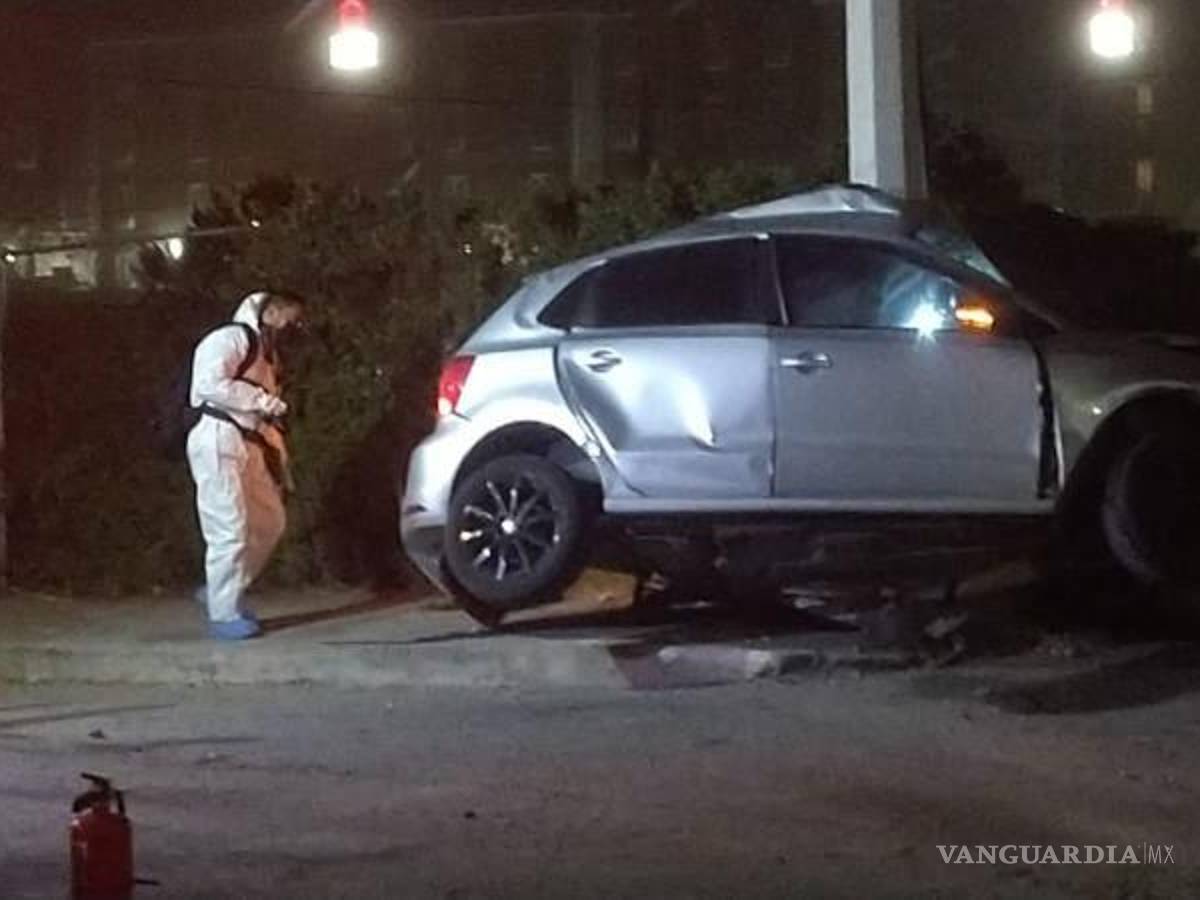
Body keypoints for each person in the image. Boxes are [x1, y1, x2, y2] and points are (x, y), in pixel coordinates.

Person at [187, 290, 305, 640]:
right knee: (229, 528)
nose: (290, 323)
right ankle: (223, 612)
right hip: (216, 438)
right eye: (287, 313)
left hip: (246, 443)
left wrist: (280, 459)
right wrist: (261, 401)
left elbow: (266, 416)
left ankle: (221, 590)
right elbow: (208, 384)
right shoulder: (230, 338)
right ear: (269, 309)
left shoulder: (266, 355)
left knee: (270, 522)